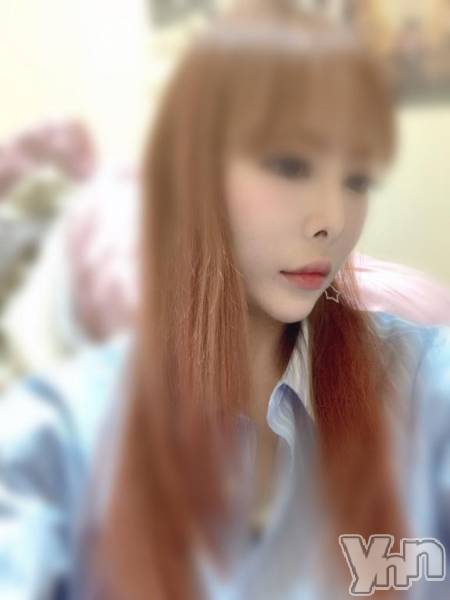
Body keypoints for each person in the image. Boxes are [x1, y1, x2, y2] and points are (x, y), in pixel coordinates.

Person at [1, 2, 450, 599]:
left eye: (357, 179)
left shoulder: (422, 383)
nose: (333, 221)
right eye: (290, 165)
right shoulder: (66, 432)